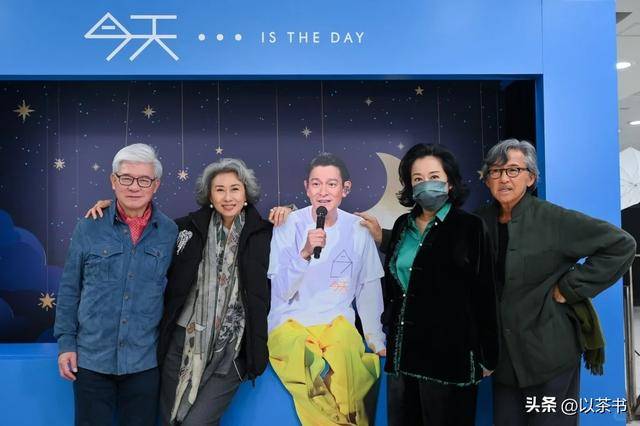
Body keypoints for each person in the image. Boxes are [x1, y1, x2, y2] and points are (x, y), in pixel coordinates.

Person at [86, 158, 284, 425]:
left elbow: (303, 243)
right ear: (209, 196)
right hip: (181, 343)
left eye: (235, 189)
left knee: (196, 423)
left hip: (231, 349)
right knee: (170, 421)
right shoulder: (184, 229)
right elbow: (142, 226)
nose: (228, 197)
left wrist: (290, 213)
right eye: (219, 189)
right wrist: (114, 209)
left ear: (246, 193)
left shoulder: (266, 234)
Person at [475, 139, 635, 426]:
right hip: (504, 359)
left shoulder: (553, 219)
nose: (503, 178)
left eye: (513, 170)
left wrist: (571, 287)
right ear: (486, 180)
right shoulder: (479, 223)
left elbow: (621, 245)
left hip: (549, 353)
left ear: (531, 178)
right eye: (495, 172)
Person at [54, 143, 178, 426]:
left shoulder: (170, 231)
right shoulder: (88, 226)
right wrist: (66, 343)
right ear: (113, 181)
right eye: (126, 178)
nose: (134, 186)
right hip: (91, 361)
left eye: (143, 180)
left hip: (144, 363)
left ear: (155, 185)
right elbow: (70, 289)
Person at [378, 144, 498, 426]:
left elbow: (485, 294)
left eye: (434, 176)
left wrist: (488, 356)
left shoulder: (470, 227)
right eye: (417, 179)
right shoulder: (402, 226)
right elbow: (394, 289)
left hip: (450, 359)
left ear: (450, 182)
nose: (425, 184)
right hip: (403, 359)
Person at [267, 152, 386, 426]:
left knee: (353, 375)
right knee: (301, 369)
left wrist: (375, 339)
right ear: (307, 188)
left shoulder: (358, 229)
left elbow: (368, 288)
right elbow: (282, 291)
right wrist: (304, 254)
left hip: (337, 321)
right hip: (290, 322)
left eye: (331, 184)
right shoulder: (287, 225)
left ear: (345, 188)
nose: (323, 192)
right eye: (316, 184)